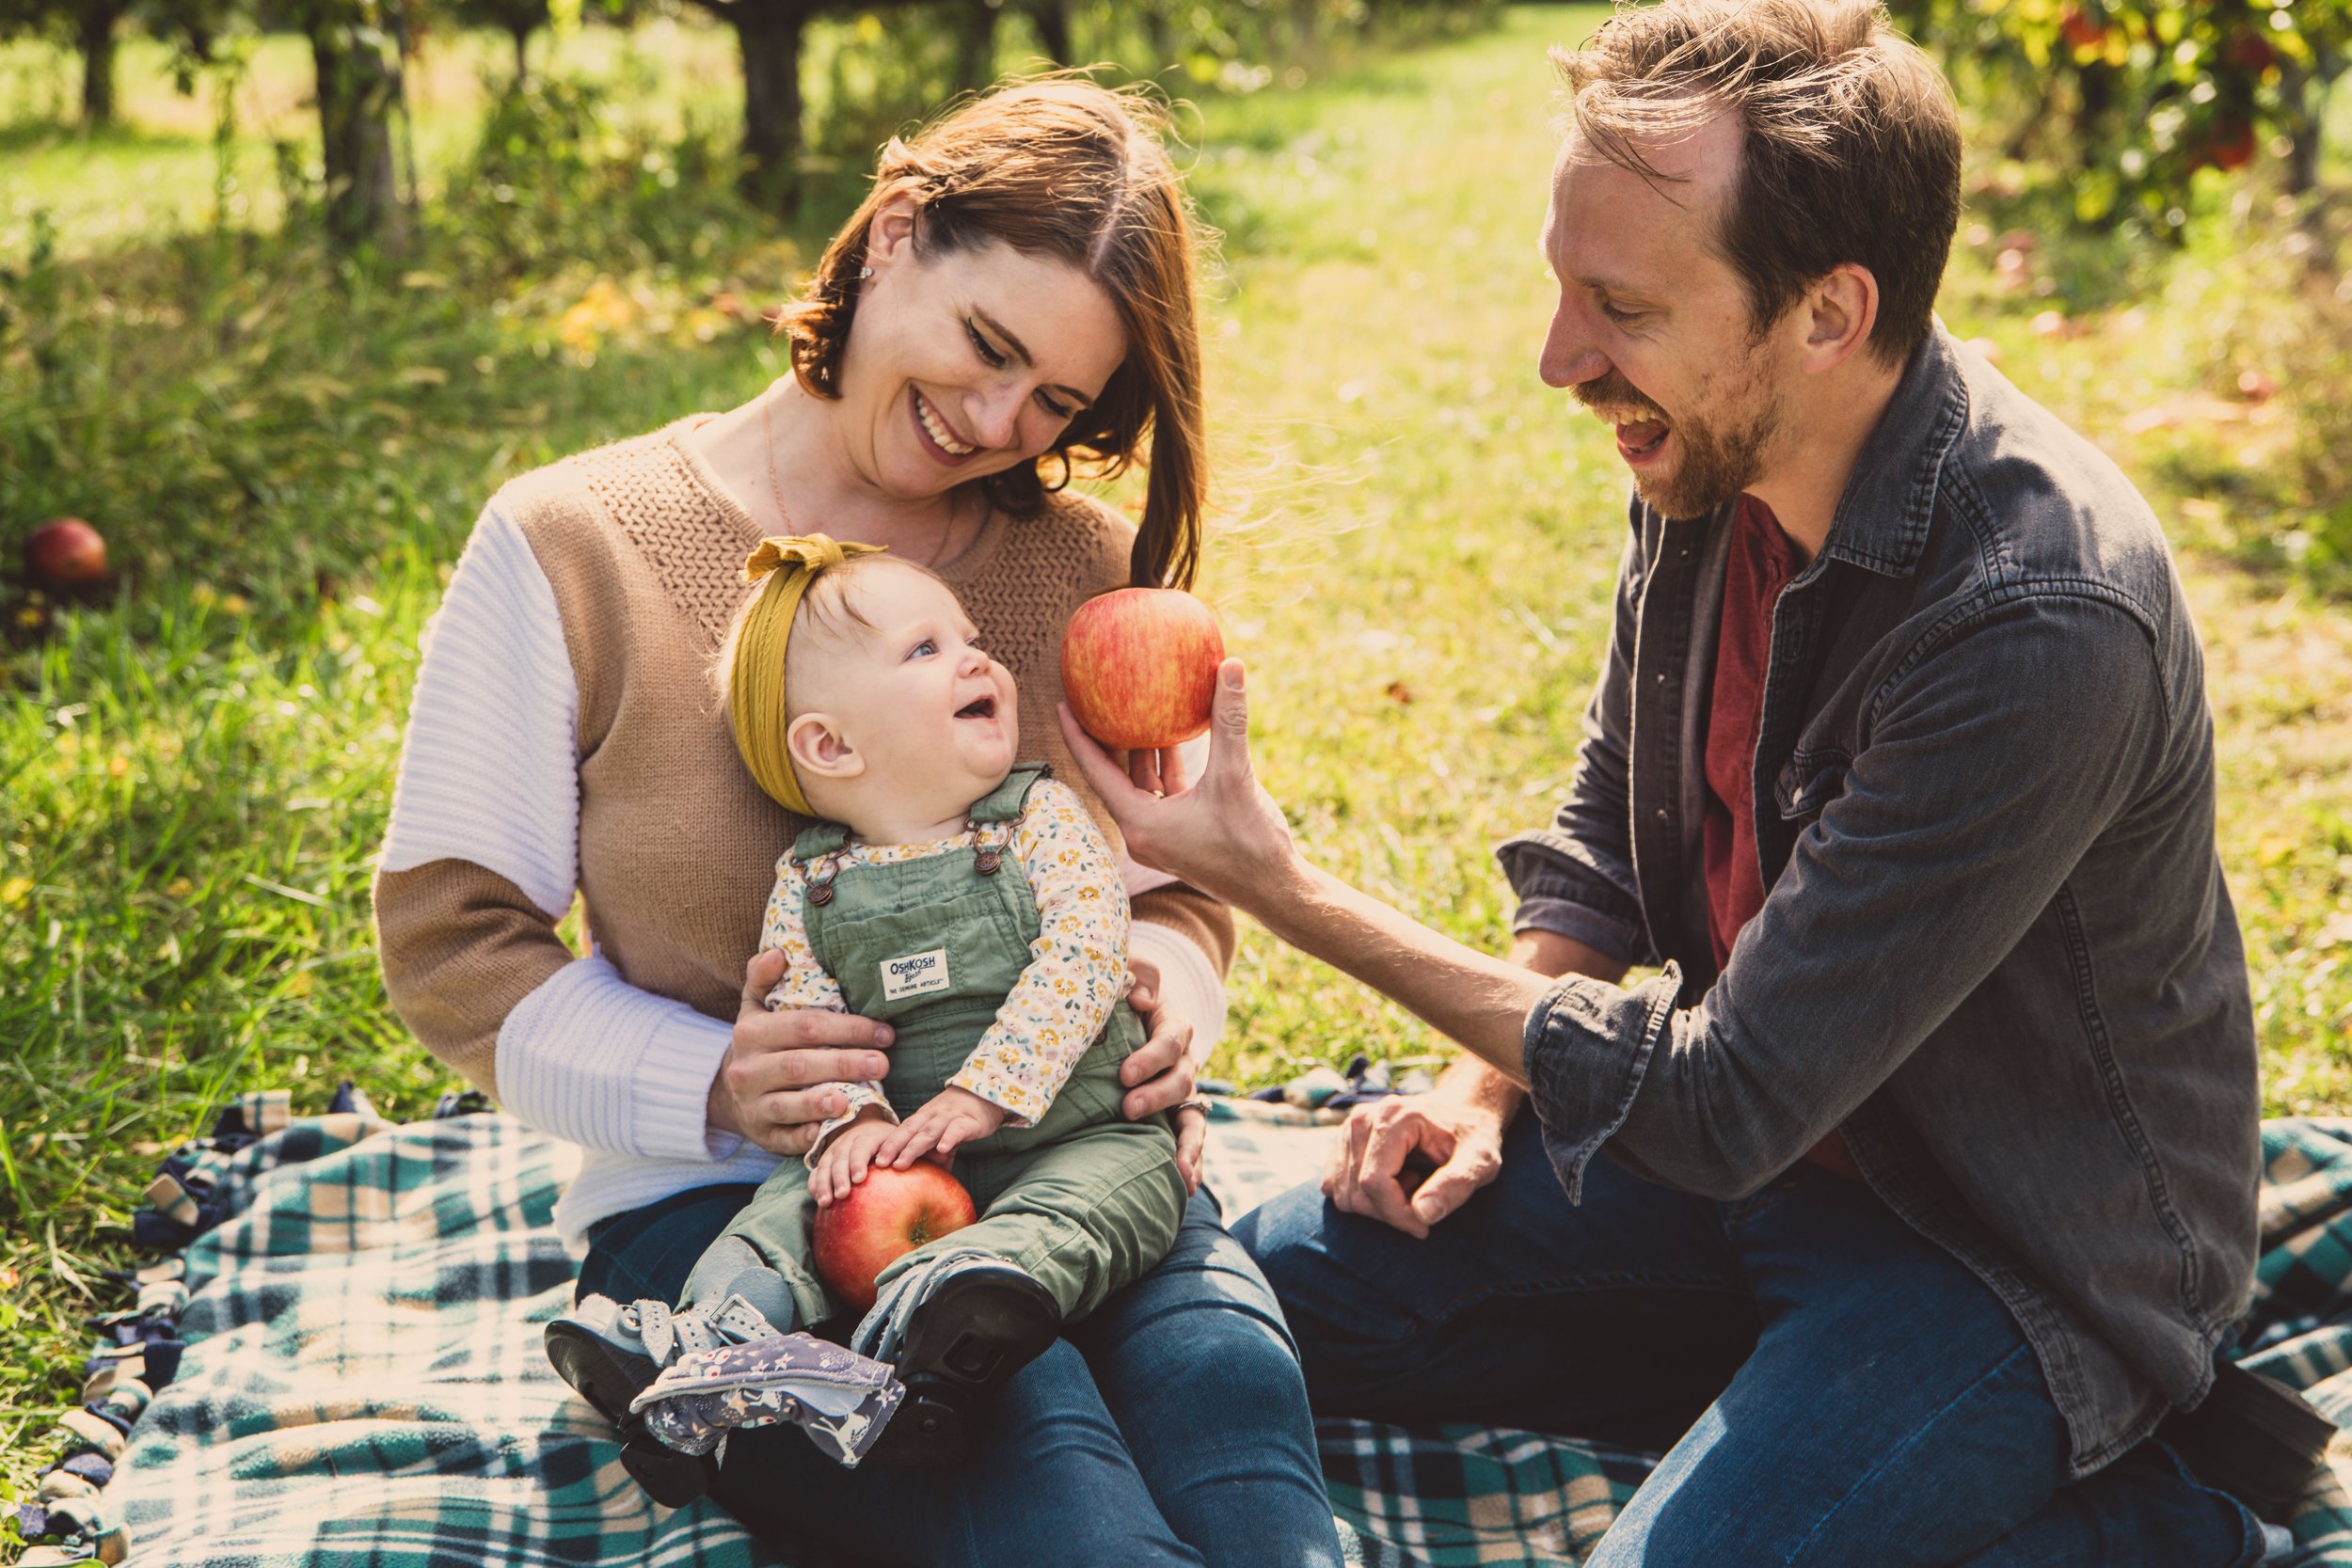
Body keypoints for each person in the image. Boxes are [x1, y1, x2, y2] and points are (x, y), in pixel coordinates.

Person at [1061, 3, 2271, 1563]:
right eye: (1565, 287)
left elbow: (1726, 1102)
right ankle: (1796, 1411)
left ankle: (2138, 1504)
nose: (1561, 359)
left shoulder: (2035, 621)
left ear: (1825, 315)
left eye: (1619, 305)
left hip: (2004, 1256)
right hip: (1748, 1190)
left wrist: (1276, 883)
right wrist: (1477, 1083)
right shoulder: (1711, 448)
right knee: (1251, 1286)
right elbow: (1610, 844)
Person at [374, 79, 1343, 1568]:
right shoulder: (572, 541)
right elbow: (452, 946)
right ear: (895, 232)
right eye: (987, 347)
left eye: (1056, 405)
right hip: (742, 1204)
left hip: (1069, 1153)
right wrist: (716, 1081)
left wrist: (1169, 999)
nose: (994, 422)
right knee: (1042, 1452)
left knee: (1230, 1384)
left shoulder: (1080, 571)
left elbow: (1174, 888)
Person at [545, 539, 1188, 1494]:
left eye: (969, 639)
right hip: (908, 1157)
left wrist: (984, 1091)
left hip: (1077, 1131)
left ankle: (944, 1308)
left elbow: (1086, 956)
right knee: (789, 1209)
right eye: (926, 649)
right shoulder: (810, 880)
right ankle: (702, 1347)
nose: (978, 659)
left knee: (1107, 1200)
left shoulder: (1039, 819)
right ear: (830, 746)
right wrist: (854, 1120)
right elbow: (807, 1015)